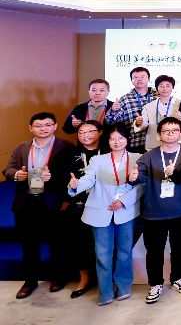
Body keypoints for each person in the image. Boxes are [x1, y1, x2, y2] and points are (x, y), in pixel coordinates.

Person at [67, 125, 143, 306]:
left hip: (126, 210)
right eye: (112, 138)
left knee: (124, 251)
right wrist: (75, 185)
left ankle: (124, 287)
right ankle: (105, 291)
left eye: (120, 138)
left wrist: (123, 201)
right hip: (101, 210)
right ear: (107, 141)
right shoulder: (97, 160)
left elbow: (142, 185)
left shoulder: (138, 158)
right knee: (102, 253)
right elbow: (88, 179)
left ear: (127, 139)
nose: (117, 142)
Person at [4, 112, 75, 299]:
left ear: (55, 126)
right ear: (31, 128)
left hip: (53, 202)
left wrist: (54, 178)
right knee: (28, 244)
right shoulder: (21, 147)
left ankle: (57, 277)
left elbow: (74, 174)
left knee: (57, 242)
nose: (43, 128)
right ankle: (29, 281)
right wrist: (17, 174)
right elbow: (8, 169)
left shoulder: (67, 147)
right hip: (26, 202)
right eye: (38, 125)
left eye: (47, 124)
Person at [128, 116, 181, 303]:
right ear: (159, 135)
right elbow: (138, 175)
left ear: (180, 133)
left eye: (174, 130)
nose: (170, 134)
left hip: (180, 211)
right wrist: (133, 177)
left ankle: (177, 278)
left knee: (179, 247)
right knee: (154, 251)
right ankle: (155, 283)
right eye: (166, 131)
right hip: (154, 212)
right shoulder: (149, 155)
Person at [55, 120, 107, 298]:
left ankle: (105, 278)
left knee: (102, 242)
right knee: (79, 242)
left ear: (100, 132)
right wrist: (65, 196)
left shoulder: (108, 151)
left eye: (90, 131)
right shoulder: (69, 152)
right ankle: (84, 278)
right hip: (77, 204)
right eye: (81, 133)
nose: (85, 136)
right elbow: (60, 177)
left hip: (104, 204)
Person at [105, 66, 157, 153]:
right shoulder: (125, 99)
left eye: (142, 77)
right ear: (131, 80)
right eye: (135, 77)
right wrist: (113, 110)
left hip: (156, 143)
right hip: (135, 143)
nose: (139, 79)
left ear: (149, 78)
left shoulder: (158, 96)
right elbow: (110, 122)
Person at [137, 75, 181, 151]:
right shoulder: (148, 106)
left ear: (172, 87)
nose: (165, 89)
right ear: (157, 88)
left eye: (168, 86)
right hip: (154, 145)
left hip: (176, 144)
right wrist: (139, 122)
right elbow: (144, 125)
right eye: (161, 86)